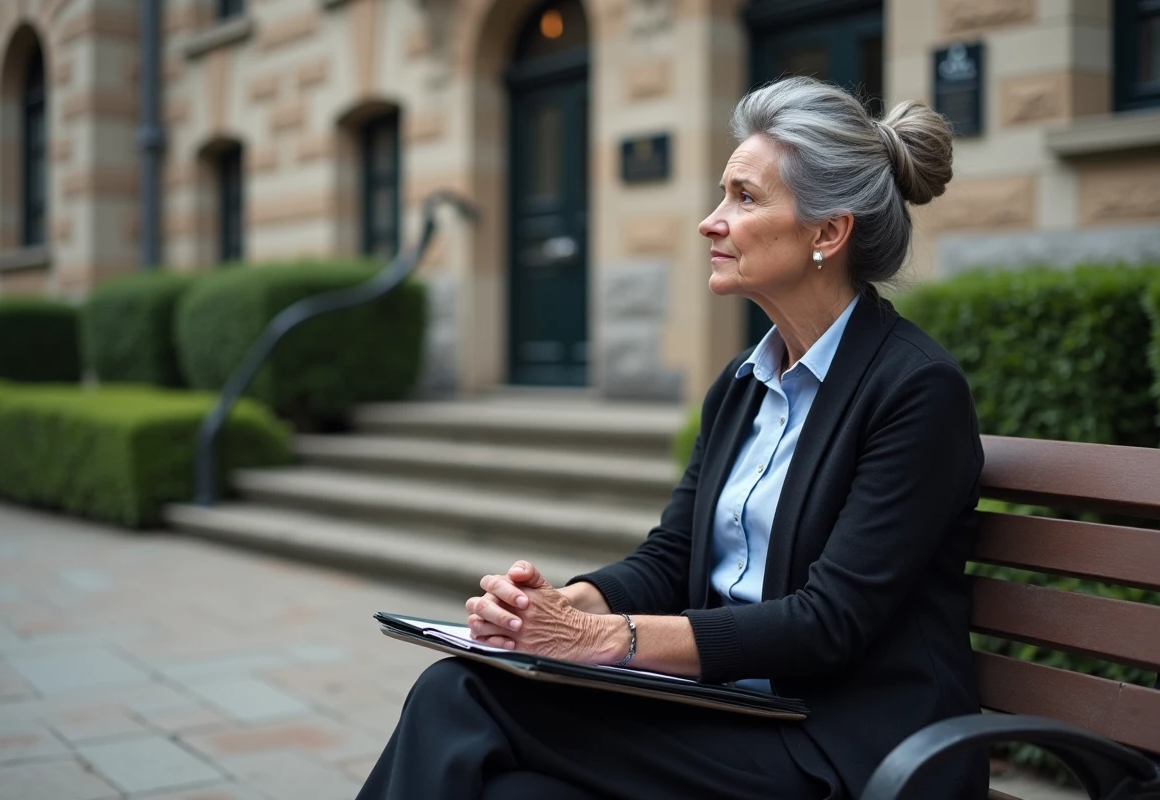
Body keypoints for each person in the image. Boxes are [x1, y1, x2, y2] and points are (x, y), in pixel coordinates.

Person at [355, 76, 988, 800]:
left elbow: (828, 624)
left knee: (458, 696)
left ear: (828, 232)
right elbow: (674, 555)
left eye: (744, 198)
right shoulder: (743, 385)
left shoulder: (914, 390)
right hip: (734, 710)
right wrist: (562, 608)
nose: (710, 221)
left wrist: (608, 640)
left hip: (847, 745)